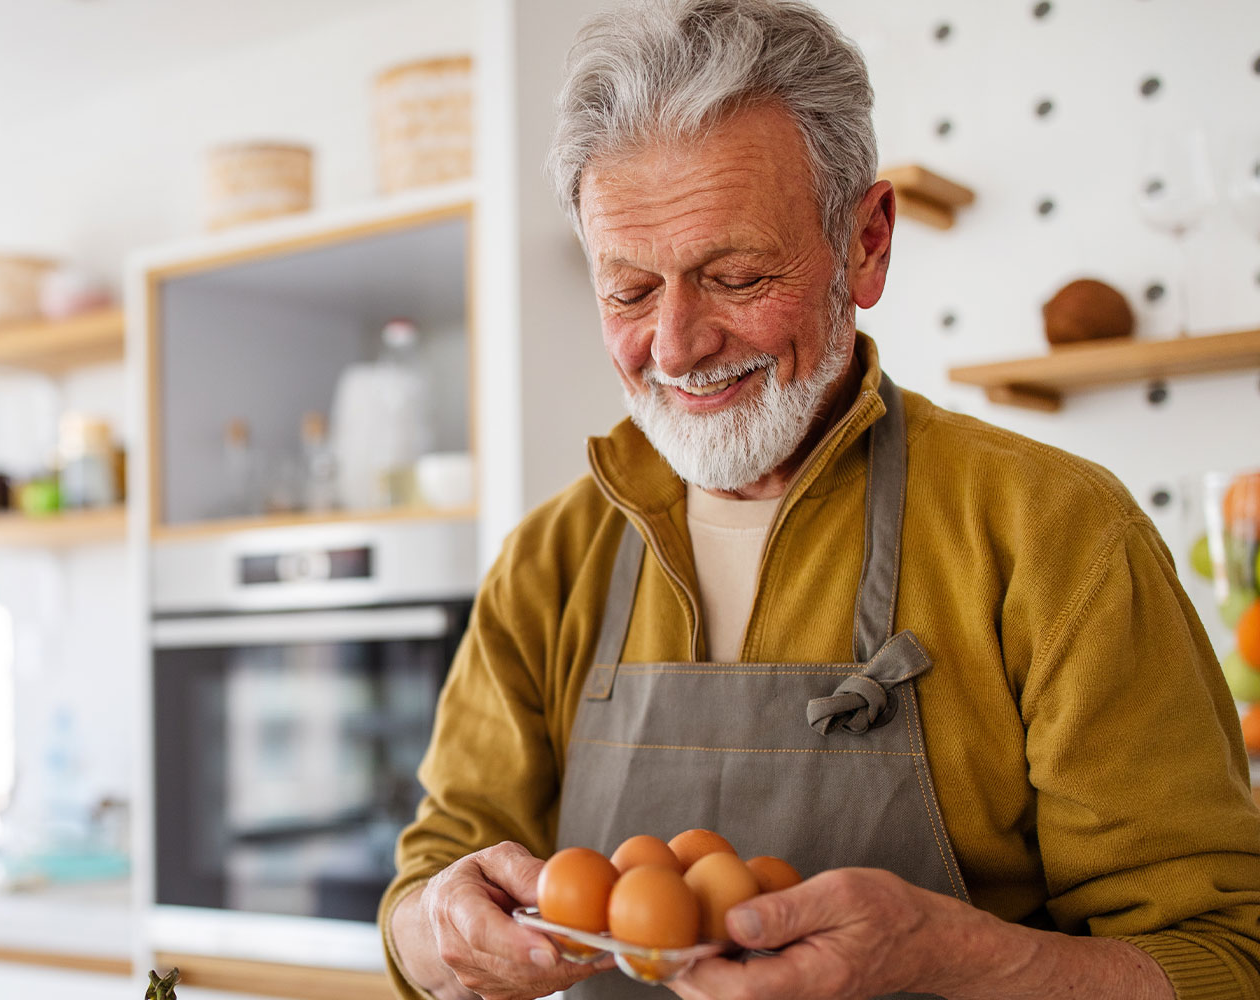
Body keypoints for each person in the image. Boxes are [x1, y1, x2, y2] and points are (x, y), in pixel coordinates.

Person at [377, 1, 1260, 998]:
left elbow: (1222, 961)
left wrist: (953, 956)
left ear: (866, 243)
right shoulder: (547, 561)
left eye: (736, 274)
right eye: (627, 289)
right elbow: (428, 885)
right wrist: (435, 927)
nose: (673, 346)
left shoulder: (1055, 537)